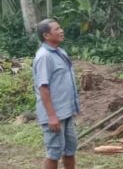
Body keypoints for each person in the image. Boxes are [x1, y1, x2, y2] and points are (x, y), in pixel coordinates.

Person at [33, 19, 80, 169]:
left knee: (70, 150)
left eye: (60, 28)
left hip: (66, 112)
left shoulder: (60, 52)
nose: (61, 31)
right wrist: (52, 116)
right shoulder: (44, 56)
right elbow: (43, 88)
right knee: (54, 153)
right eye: (57, 29)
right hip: (55, 114)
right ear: (46, 35)